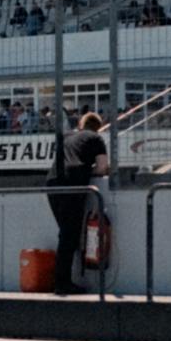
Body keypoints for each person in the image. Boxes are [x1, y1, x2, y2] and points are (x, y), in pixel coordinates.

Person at [46, 112, 109, 296]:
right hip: (73, 181)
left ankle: (61, 280)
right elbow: (102, 166)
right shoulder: (96, 138)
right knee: (69, 234)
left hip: (52, 180)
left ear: (81, 124)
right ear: (99, 127)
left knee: (66, 232)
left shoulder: (67, 136)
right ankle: (62, 283)